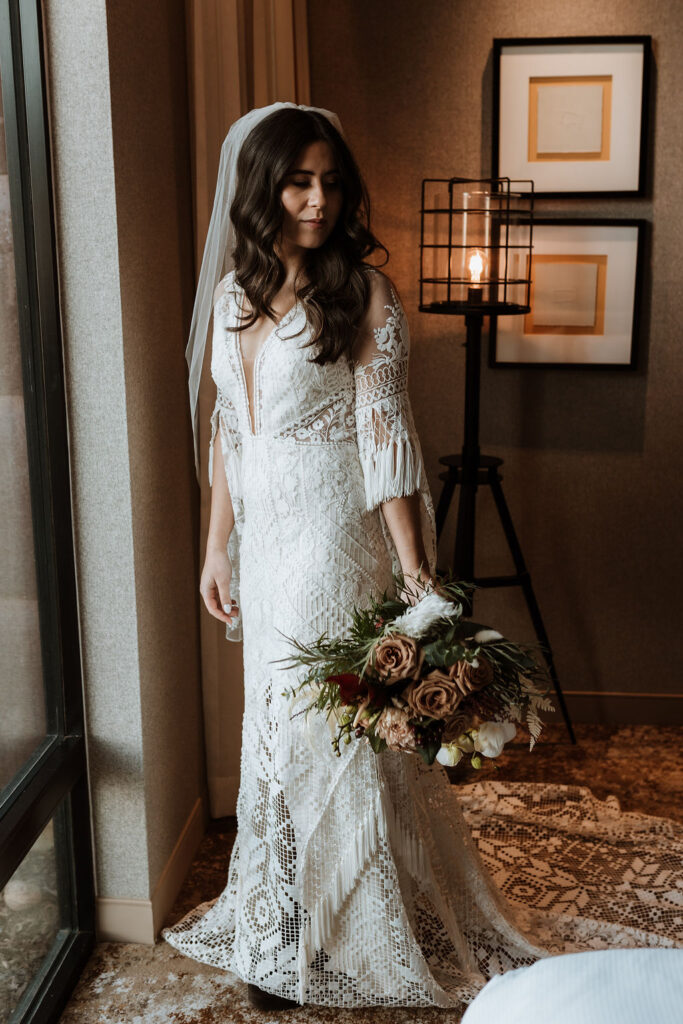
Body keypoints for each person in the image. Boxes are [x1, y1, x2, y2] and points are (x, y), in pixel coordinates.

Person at [162, 103, 683, 1012]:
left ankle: (338, 931)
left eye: (329, 181)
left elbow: (386, 441)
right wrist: (217, 549)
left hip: (334, 538)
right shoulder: (229, 295)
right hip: (267, 547)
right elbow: (229, 438)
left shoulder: (362, 294)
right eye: (298, 181)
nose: (318, 199)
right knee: (279, 735)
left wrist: (411, 575)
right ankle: (283, 920)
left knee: (334, 736)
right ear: (261, 189)